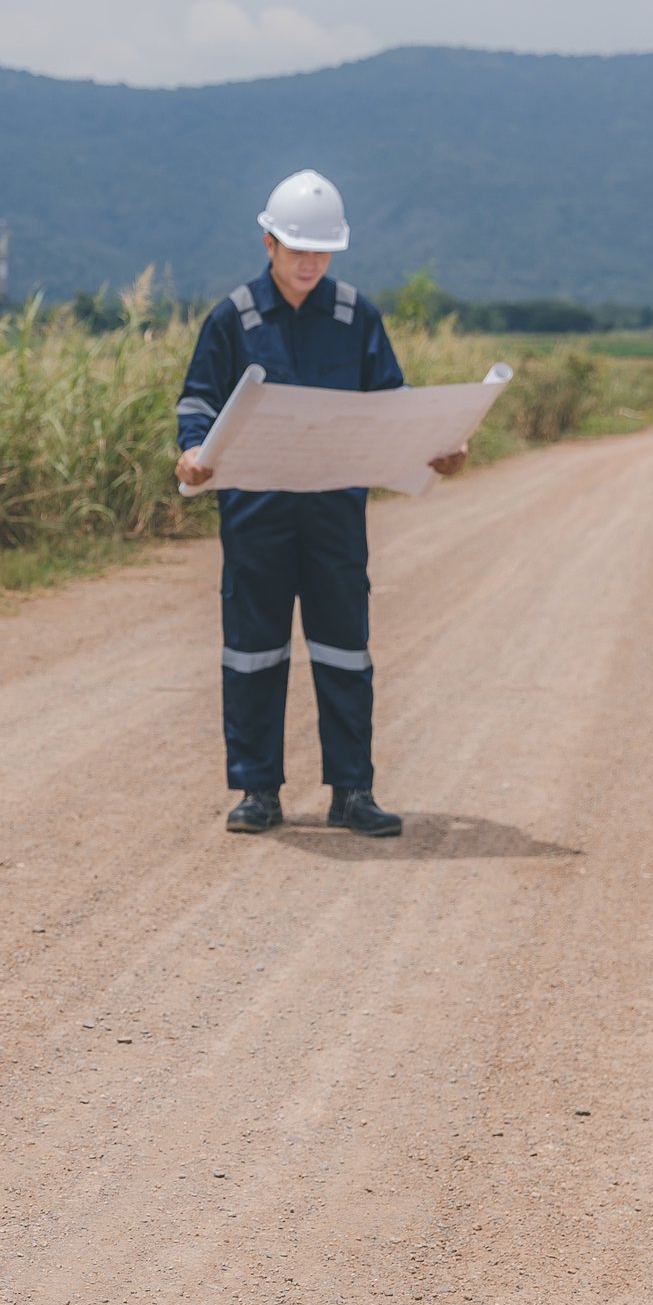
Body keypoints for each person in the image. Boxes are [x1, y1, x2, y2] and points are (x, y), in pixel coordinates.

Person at [173, 169, 466, 838]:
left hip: (335, 511)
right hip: (256, 512)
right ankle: (257, 791)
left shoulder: (354, 316)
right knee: (253, 651)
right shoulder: (234, 318)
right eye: (298, 248)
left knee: (344, 649)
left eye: (321, 251)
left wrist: (436, 447)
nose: (310, 262)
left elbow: (392, 401)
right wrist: (191, 450)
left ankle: (352, 791)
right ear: (270, 242)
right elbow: (198, 401)